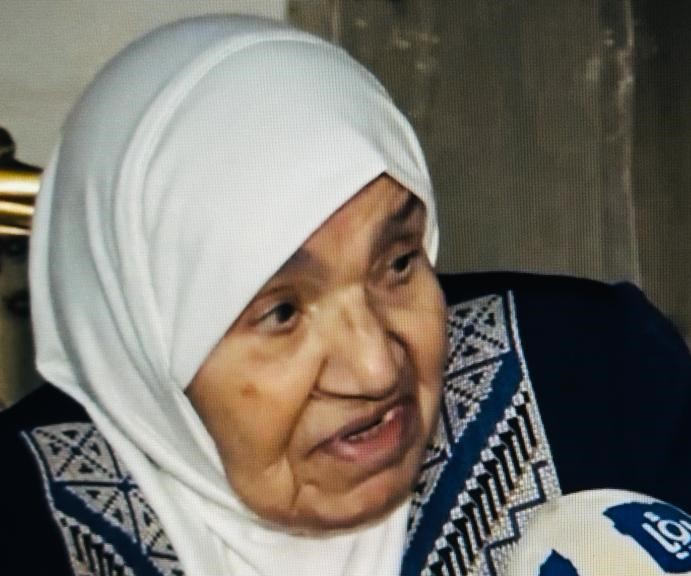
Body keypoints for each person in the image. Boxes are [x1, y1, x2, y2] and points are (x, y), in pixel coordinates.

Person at [1, 15, 690, 576]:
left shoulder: (594, 382)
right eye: (282, 312)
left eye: (397, 263)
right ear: (137, 341)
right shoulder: (22, 524)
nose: (376, 368)